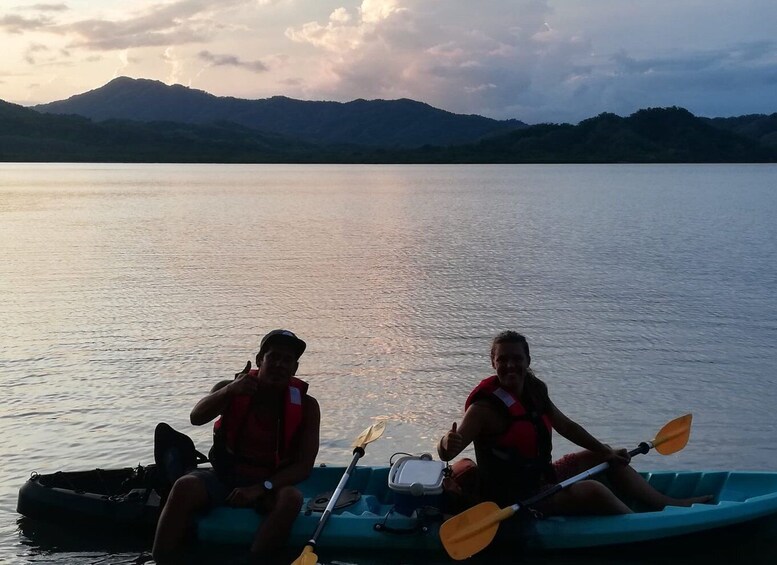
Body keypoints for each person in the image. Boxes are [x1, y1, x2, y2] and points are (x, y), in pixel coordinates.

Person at [437, 330, 711, 516]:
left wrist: (605, 450)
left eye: (517, 359)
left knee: (605, 458)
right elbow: (447, 453)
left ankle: (670, 505)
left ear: (528, 361)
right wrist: (447, 443)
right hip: (515, 498)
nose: (510, 365)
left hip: (542, 478)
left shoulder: (534, 391)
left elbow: (566, 427)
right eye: (503, 360)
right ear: (493, 362)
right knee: (592, 490)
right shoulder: (483, 409)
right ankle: (640, 523)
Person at [152, 329, 320, 562]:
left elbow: (304, 466)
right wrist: (229, 391)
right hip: (224, 478)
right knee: (184, 486)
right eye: (274, 357)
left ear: (294, 369)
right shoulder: (229, 389)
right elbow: (196, 417)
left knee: (291, 498)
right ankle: (161, 559)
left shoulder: (307, 406)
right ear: (260, 360)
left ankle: (256, 559)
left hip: (269, 484)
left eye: (287, 360)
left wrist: (261, 488)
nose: (280, 365)